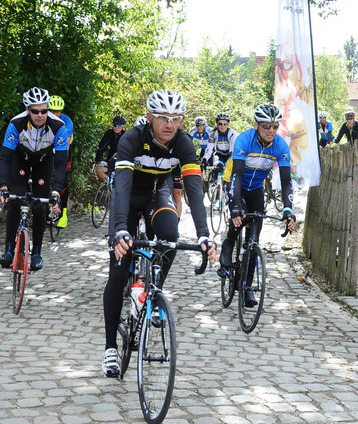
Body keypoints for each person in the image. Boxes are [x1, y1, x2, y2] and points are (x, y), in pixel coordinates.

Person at [101, 89, 217, 377]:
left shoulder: (184, 143)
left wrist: (204, 234)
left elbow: (193, 189)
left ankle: (154, 291)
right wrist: (118, 231)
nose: (169, 124)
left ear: (182, 120)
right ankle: (110, 348)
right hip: (129, 200)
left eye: (175, 118)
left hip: (158, 195)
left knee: (170, 236)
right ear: (150, 117)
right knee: (118, 270)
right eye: (163, 118)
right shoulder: (132, 139)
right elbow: (122, 189)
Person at [217, 104, 295, 307]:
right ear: (256, 125)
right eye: (266, 125)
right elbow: (237, 175)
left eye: (275, 126)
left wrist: (288, 209)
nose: (271, 130)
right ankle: (228, 242)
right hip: (235, 183)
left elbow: (286, 182)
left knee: (254, 240)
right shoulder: (244, 139)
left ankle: (247, 287)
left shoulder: (280, 146)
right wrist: (235, 205)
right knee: (238, 217)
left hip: (256, 189)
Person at [0, 87, 68, 271]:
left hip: (44, 162)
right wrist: (3, 186)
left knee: (40, 204)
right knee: (16, 199)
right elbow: (5, 157)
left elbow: (61, 164)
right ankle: (9, 250)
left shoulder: (59, 127)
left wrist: (56, 192)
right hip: (20, 159)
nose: (40, 115)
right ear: (28, 110)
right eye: (35, 111)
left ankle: (36, 252)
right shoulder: (16, 124)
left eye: (44, 110)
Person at [48, 95, 74, 228]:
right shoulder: (43, 119)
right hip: (47, 151)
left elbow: (67, 143)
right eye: (52, 110)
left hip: (64, 151)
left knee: (63, 183)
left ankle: (63, 214)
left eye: (58, 111)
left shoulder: (66, 121)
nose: (55, 114)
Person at [94, 115, 127, 182]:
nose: (116, 128)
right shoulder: (109, 133)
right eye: (115, 125)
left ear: (123, 127)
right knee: (98, 168)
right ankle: (108, 184)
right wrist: (97, 159)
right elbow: (102, 146)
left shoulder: (126, 136)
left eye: (119, 126)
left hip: (121, 161)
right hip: (110, 158)